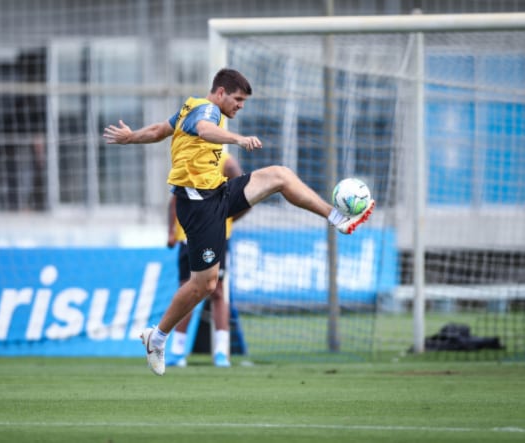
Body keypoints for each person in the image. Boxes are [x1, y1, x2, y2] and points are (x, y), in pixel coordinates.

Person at [103, 68, 375, 376]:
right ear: (220, 93)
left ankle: (336, 216)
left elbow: (158, 131)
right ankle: (158, 337)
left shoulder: (188, 107)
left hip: (217, 194)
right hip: (198, 207)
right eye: (238, 99)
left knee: (280, 175)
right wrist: (238, 138)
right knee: (204, 285)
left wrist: (130, 137)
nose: (240, 106)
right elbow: (205, 130)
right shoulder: (206, 111)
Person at [166, 151, 247, 368]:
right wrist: (171, 232)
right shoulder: (185, 156)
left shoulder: (224, 160)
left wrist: (225, 217)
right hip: (187, 237)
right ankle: (176, 351)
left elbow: (243, 193)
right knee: (188, 291)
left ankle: (221, 352)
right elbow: (174, 199)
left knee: (218, 291)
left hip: (216, 235)